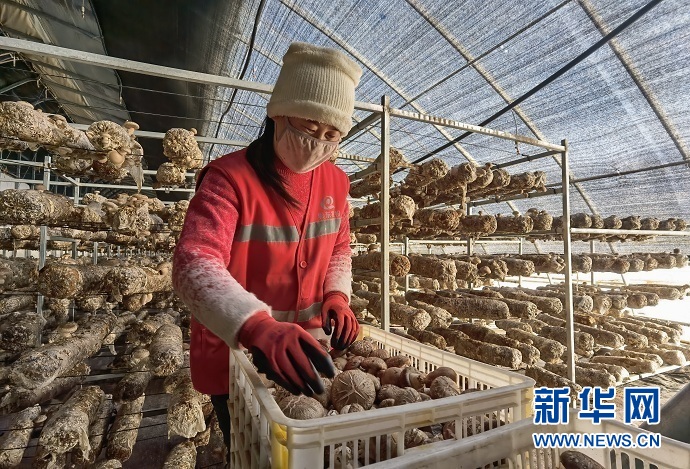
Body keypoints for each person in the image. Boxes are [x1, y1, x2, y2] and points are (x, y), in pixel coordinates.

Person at [172, 42, 362, 454]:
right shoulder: (229, 178)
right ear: (279, 113)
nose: (318, 140)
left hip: (306, 350)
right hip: (239, 355)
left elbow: (339, 247)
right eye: (309, 125)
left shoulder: (337, 182)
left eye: (331, 134)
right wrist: (257, 326)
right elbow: (193, 262)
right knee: (254, 452)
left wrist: (337, 295)